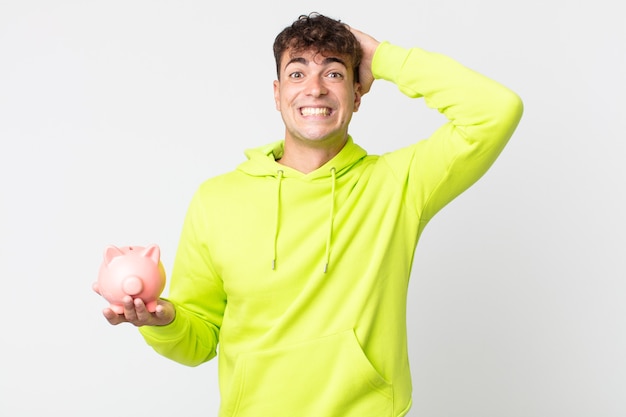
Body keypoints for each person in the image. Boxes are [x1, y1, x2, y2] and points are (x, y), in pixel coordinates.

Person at [100, 12, 523, 417]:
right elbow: (198, 342)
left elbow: (495, 111)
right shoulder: (216, 199)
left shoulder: (398, 184)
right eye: (297, 73)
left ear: (358, 94)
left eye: (334, 73)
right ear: (277, 93)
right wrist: (163, 320)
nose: (315, 88)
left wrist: (383, 56)